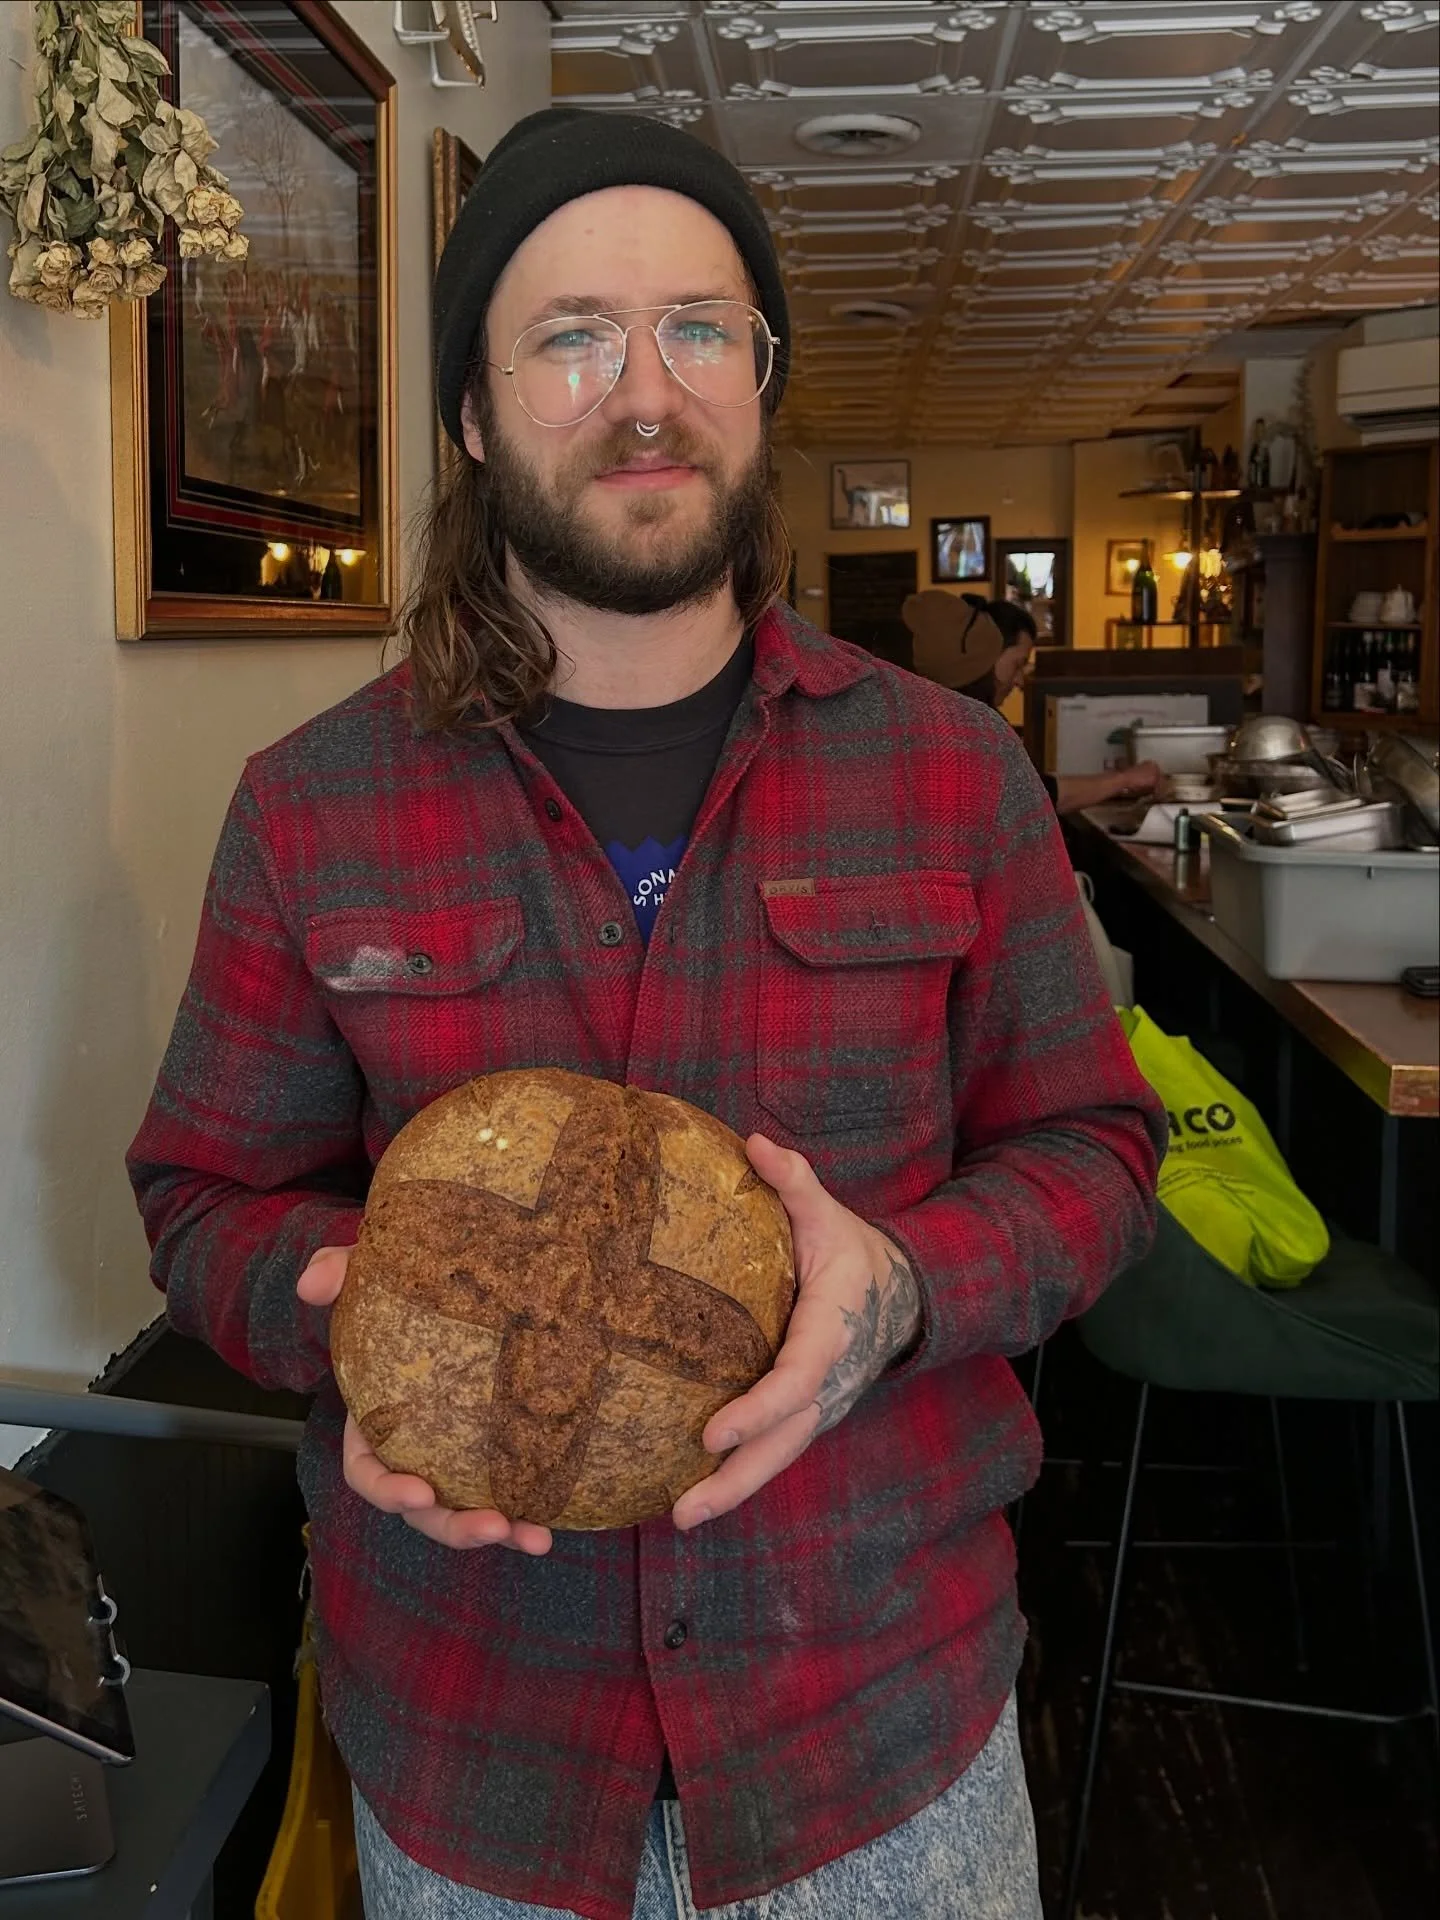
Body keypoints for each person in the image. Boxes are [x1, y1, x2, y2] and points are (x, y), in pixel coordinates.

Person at [127, 107, 1165, 1920]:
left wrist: (904, 1289)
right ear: (469, 409)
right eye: (571, 334)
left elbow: (1094, 1146)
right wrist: (335, 1319)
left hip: (878, 1739)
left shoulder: (950, 776)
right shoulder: (313, 808)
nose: (647, 391)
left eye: (702, 328)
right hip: (482, 1758)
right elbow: (201, 1195)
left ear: (759, 385)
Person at [958, 593, 1169, 814]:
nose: (1020, 681)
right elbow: (1034, 796)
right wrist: (1125, 779)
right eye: (1018, 665)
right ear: (987, 655)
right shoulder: (973, 723)